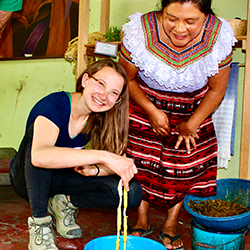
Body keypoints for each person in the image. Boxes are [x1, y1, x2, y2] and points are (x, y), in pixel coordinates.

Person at [119, 0, 236, 249]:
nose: (180, 28)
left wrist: (192, 124)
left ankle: (171, 224)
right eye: (171, 18)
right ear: (162, 11)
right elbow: (126, 79)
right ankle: (141, 219)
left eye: (191, 21)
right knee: (140, 161)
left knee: (184, 166)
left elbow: (217, 89)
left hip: (193, 108)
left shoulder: (219, 35)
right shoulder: (140, 31)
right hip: (144, 101)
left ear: (206, 16)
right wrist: (151, 111)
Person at [9, 58, 143, 250]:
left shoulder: (103, 118)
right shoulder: (55, 104)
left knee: (132, 192)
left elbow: (117, 164)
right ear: (85, 80)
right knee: (43, 147)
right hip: (29, 178)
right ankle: (40, 224)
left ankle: (64, 203)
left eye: (114, 93)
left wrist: (93, 171)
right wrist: (103, 156)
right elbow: (39, 157)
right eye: (100, 84)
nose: (104, 96)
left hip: (63, 179)